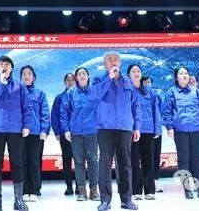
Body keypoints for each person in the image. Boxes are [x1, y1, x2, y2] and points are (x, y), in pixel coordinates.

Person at [92, 51, 141, 211]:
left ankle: (126, 199)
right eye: (109, 60)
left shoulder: (128, 82)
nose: (113, 62)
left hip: (125, 128)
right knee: (104, 164)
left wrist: (137, 127)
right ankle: (105, 200)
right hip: (105, 128)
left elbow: (135, 106)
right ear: (105, 64)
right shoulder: (99, 79)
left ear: (120, 63)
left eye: (116, 60)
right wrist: (110, 78)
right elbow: (96, 95)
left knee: (125, 164)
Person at [0, 55, 34, 211]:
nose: (4, 66)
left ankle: (18, 200)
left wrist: (27, 125)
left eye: (7, 64)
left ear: (12, 68)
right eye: (1, 64)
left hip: (15, 129)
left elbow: (27, 106)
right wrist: (1, 83)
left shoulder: (20, 85)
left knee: (17, 163)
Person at [161, 66, 199, 200]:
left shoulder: (196, 91)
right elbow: (166, 111)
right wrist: (169, 127)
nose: (184, 75)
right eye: (181, 73)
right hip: (180, 130)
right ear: (176, 77)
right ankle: (187, 189)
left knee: (198, 159)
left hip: (197, 129)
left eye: (186, 73)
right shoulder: (171, 92)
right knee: (183, 160)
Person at [60, 66, 100, 202]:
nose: (82, 76)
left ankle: (94, 190)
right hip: (76, 132)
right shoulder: (71, 93)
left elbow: (101, 110)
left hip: (92, 131)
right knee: (78, 162)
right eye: (79, 74)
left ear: (88, 76)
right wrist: (66, 129)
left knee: (93, 161)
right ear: (76, 78)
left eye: (84, 73)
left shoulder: (95, 92)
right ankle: (82, 191)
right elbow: (63, 112)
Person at [127, 67, 161, 201]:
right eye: (133, 71)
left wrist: (157, 129)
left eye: (138, 71)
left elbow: (156, 111)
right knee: (134, 161)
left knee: (149, 161)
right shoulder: (126, 91)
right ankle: (136, 191)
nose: (136, 73)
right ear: (128, 75)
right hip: (131, 131)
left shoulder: (150, 92)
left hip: (148, 130)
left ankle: (149, 191)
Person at [19, 65, 50, 203]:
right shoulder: (16, 93)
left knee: (34, 161)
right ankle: (24, 190)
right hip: (19, 133)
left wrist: (44, 130)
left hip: (35, 133)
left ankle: (35, 190)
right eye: (24, 74)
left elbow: (45, 113)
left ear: (33, 77)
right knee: (21, 162)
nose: (26, 76)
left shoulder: (39, 94)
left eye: (29, 73)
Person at [51, 73, 77, 196]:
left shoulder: (79, 96)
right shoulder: (59, 98)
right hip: (64, 133)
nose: (70, 82)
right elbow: (55, 115)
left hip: (78, 133)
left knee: (79, 160)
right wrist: (57, 131)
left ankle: (80, 186)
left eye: (72, 80)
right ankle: (69, 186)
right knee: (67, 159)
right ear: (64, 82)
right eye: (68, 80)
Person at [142, 75, 164, 193]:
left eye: (149, 82)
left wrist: (158, 129)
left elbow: (160, 113)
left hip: (155, 130)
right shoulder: (136, 94)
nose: (147, 84)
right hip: (142, 131)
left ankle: (154, 180)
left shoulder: (156, 95)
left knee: (155, 157)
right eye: (145, 82)